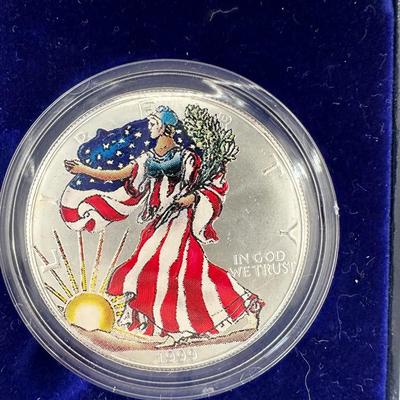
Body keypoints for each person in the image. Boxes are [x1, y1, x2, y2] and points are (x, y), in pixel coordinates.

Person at [65, 105, 264, 345]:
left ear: (165, 127)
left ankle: (191, 322)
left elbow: (208, 186)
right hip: (159, 219)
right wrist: (83, 170)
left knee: (166, 268)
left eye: (153, 122)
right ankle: (172, 327)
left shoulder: (188, 158)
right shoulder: (147, 158)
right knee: (176, 271)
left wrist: (192, 198)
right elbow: (118, 175)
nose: (149, 126)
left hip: (180, 220)